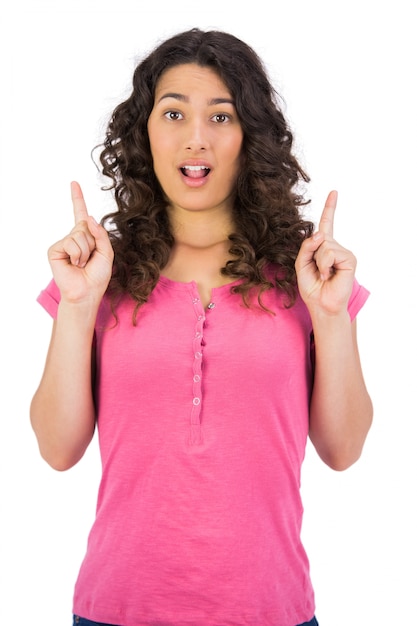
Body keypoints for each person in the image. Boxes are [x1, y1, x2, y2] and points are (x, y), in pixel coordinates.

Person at [30, 27, 373, 626]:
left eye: (221, 116)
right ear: (145, 133)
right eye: (173, 113)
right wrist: (78, 306)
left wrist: (332, 317)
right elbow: (58, 450)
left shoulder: (305, 274)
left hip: (272, 609)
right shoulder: (99, 273)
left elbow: (342, 450)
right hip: (117, 609)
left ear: (251, 137)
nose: (196, 138)